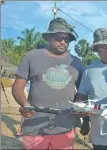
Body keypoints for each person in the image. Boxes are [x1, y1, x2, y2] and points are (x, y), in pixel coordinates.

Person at [12, 17, 84, 149]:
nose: (63, 42)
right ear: (48, 38)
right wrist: (24, 104)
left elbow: (82, 91)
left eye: (66, 40)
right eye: (58, 38)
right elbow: (17, 87)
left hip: (64, 126)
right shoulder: (32, 56)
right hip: (34, 125)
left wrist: (79, 106)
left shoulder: (76, 62)